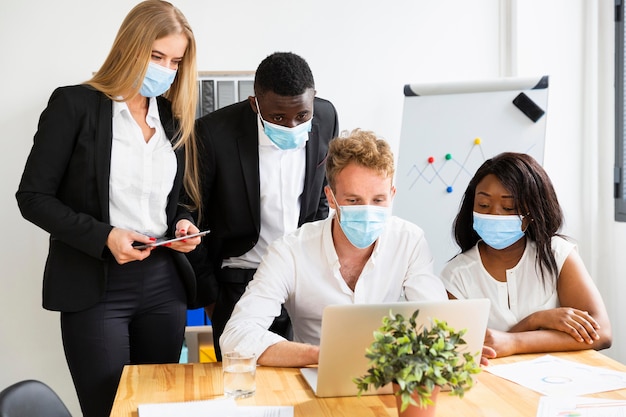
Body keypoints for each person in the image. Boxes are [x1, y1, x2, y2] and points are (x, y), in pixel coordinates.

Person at [15, 2, 202, 416]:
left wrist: (184, 221)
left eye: (174, 61)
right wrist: (105, 236)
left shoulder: (173, 117)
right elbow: (32, 197)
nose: (165, 69)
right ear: (129, 47)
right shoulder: (74, 105)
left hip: (163, 284)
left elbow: (180, 197)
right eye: (156, 56)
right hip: (95, 285)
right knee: (108, 410)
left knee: (161, 408)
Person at [220, 129, 448, 367]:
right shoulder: (290, 251)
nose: (368, 210)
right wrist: (322, 355)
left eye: (378, 200)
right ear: (331, 198)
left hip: (386, 375)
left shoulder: (409, 241)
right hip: (313, 376)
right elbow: (236, 337)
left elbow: (439, 321)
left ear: (392, 195)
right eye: (353, 200)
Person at [188, 51, 339, 360]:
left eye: (301, 116)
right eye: (277, 117)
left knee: (308, 371)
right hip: (239, 279)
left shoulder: (326, 116)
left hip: (302, 278)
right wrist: (210, 296)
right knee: (239, 381)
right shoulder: (213, 133)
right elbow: (193, 216)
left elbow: (321, 193)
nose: (291, 124)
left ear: (314, 99)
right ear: (255, 103)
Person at [440, 152, 612, 358]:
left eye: (508, 207)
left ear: (532, 212)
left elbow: (601, 333)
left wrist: (513, 341)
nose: (494, 214)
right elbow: (468, 353)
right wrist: (535, 321)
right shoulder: (456, 275)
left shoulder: (557, 253)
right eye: (483, 205)